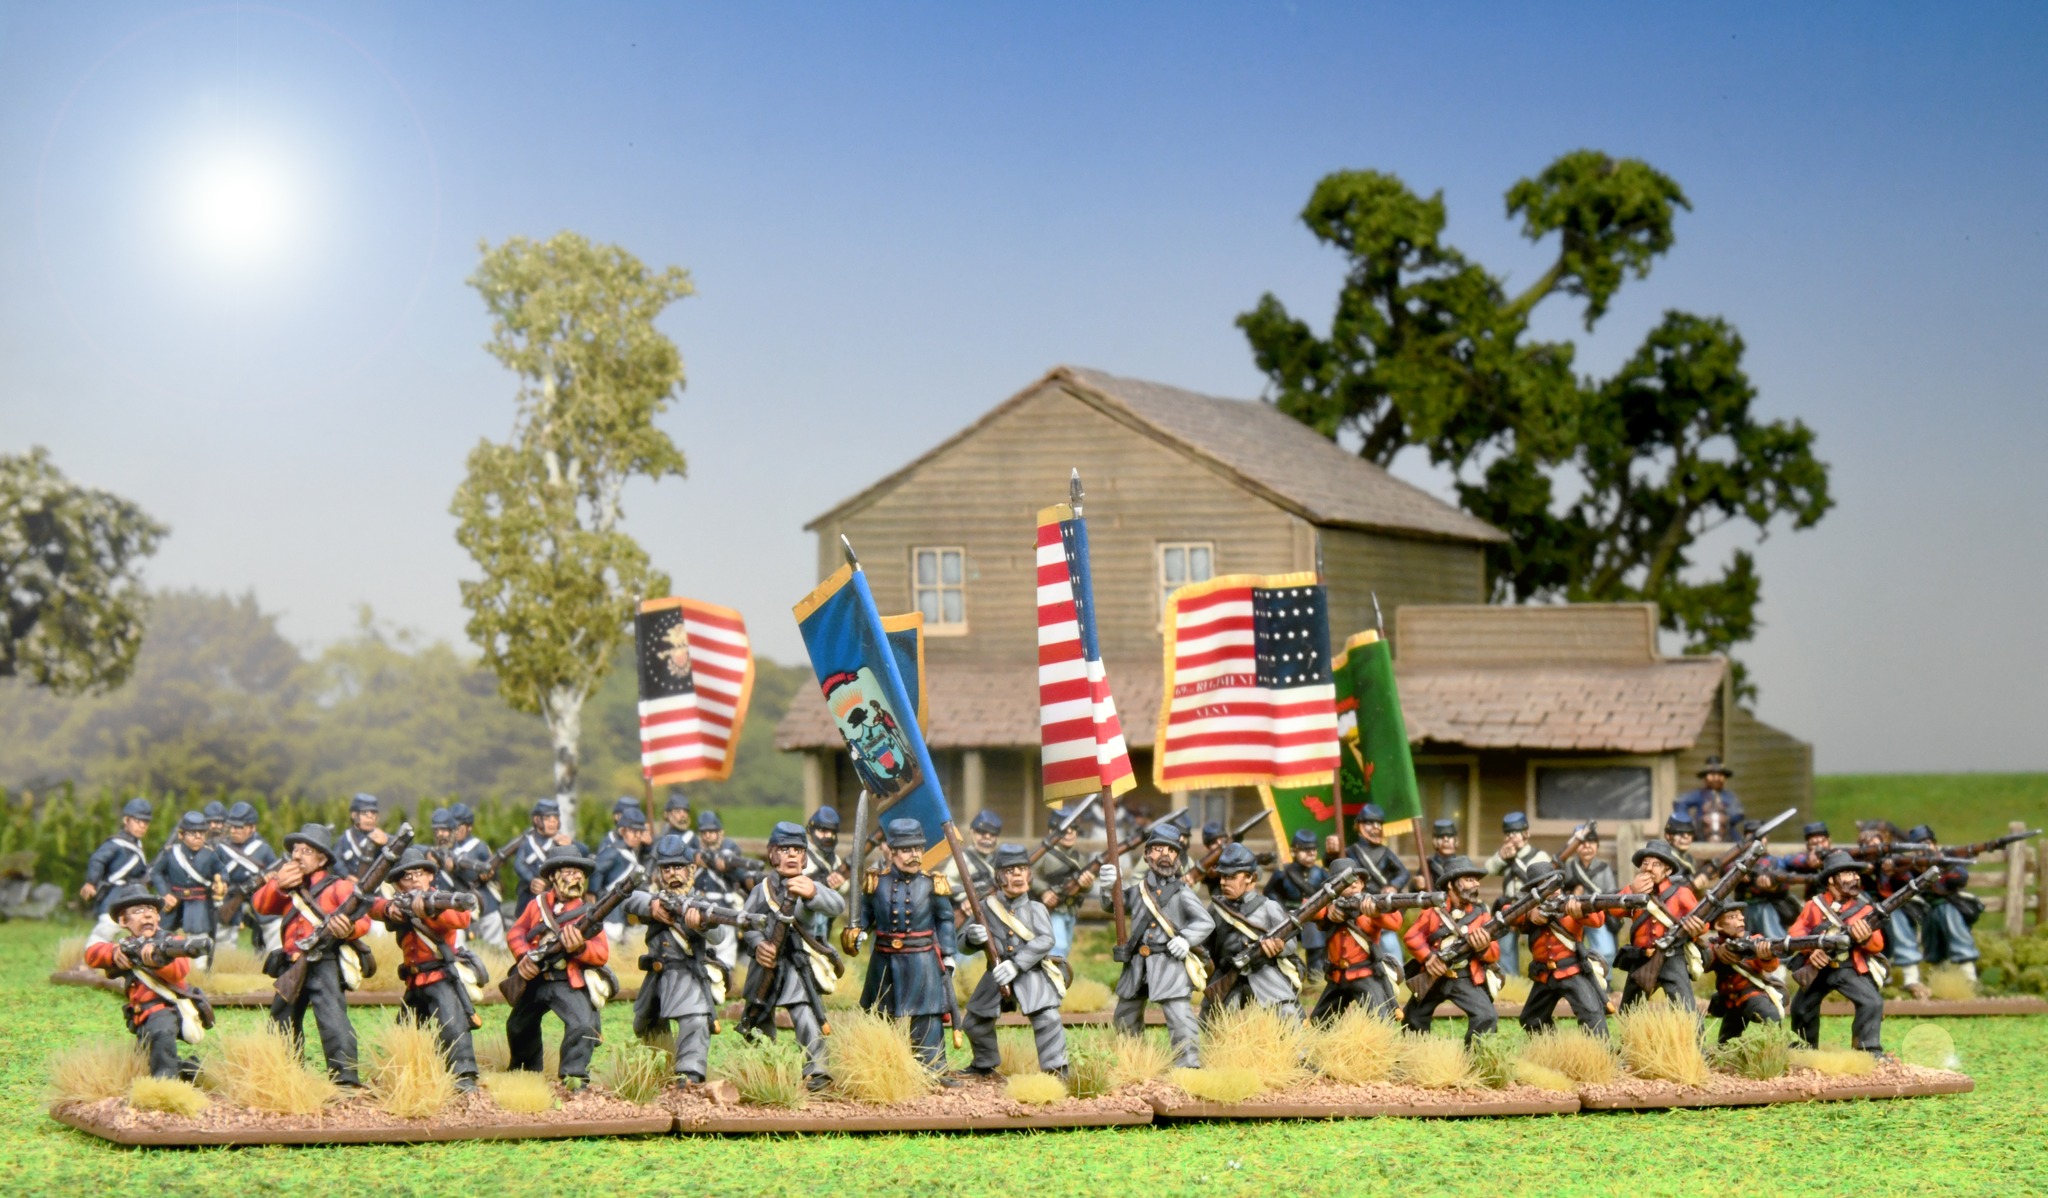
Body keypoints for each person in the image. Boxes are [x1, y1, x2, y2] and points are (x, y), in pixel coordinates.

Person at [252, 823, 370, 1085]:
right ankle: (284, 1074)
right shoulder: (288, 886)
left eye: (306, 851)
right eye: (295, 850)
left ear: (322, 859)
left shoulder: (338, 887)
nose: (297, 856)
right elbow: (260, 905)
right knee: (282, 1019)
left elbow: (363, 920)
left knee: (332, 1020)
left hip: (323, 963)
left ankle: (345, 1078)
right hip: (292, 965)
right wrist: (277, 885)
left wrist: (348, 929)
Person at [370, 846, 481, 1092]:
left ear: (430, 876)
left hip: (440, 977)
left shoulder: (440, 899)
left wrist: (430, 911)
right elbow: (372, 906)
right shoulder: (399, 903)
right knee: (405, 1029)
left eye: (419, 874)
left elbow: (462, 918)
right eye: (407, 877)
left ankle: (464, 1074)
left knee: (452, 1024)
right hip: (413, 981)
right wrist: (390, 910)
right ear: (398, 884)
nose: (414, 880)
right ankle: (403, 1071)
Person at [743, 822, 845, 1090]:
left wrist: (813, 893)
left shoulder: (810, 886)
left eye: (798, 850)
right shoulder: (762, 890)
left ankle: (818, 1070)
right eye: (784, 849)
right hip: (766, 966)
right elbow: (747, 925)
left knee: (806, 1015)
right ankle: (763, 1069)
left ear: (805, 857)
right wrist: (758, 945)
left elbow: (837, 905)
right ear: (772, 853)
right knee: (758, 1017)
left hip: (797, 964)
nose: (791, 855)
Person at [626, 834, 733, 1088]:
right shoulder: (656, 900)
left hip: (686, 973)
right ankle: (660, 1065)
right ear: (659, 874)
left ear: (691, 870)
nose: (673, 873)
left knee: (694, 1020)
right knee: (644, 1024)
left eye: (678, 867)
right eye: (667, 869)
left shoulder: (700, 904)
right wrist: (652, 905)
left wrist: (702, 924)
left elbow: (719, 935)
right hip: (656, 976)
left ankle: (689, 1073)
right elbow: (628, 899)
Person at [505, 845, 612, 1090]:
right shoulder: (536, 905)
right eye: (569, 872)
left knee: (582, 1024)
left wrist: (580, 948)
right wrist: (524, 956)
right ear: (553, 876)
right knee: (518, 1025)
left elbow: (602, 953)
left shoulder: (588, 914)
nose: (576, 878)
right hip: (535, 978)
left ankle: (574, 1077)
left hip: (566, 979)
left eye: (579, 873)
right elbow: (516, 932)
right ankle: (525, 1072)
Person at [1105, 824, 1213, 1068]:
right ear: (1146, 855)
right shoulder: (1138, 891)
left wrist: (1185, 939)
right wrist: (1109, 886)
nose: (1165, 855)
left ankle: (1188, 1063)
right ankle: (1131, 1061)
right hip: (1137, 964)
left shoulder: (1182, 892)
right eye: (1158, 849)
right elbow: (1114, 906)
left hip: (1168, 963)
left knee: (1179, 1015)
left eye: (1171, 851)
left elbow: (1205, 922)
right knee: (1125, 1015)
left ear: (1178, 857)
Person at [856, 818, 958, 1074]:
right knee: (880, 1013)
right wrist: (858, 931)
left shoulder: (932, 884)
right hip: (884, 961)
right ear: (891, 852)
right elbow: (865, 914)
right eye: (906, 850)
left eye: (918, 849)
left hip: (922, 961)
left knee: (927, 1016)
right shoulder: (876, 883)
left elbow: (945, 919)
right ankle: (882, 1068)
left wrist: (948, 954)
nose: (914, 855)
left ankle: (933, 1068)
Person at [959, 844, 1068, 1077]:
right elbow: (962, 945)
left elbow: (1046, 939)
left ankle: (1056, 1069)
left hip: (1030, 973)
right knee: (974, 1023)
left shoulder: (1036, 908)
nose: (1018, 875)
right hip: (996, 973)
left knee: (1048, 1019)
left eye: (1022, 869)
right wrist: (971, 938)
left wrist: (1017, 964)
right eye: (1009, 871)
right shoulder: (984, 908)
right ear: (998, 877)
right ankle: (984, 1064)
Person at [81, 884, 204, 1080]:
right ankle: (190, 1070)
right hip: (140, 1015)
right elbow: (92, 954)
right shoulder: (126, 946)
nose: (147, 915)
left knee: (161, 1035)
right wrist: (114, 952)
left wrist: (159, 963)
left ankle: (165, 1084)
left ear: (158, 917)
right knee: (147, 1057)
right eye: (137, 911)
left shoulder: (171, 942)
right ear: (123, 921)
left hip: (165, 1009)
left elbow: (180, 970)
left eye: (151, 910)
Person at [1786, 850, 1888, 1056]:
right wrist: (1813, 948)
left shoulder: (1864, 910)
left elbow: (1877, 944)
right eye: (1848, 873)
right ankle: (1804, 1048)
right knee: (1801, 1008)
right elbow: (1796, 932)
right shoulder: (1814, 906)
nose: (1855, 878)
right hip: (1820, 967)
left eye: (1855, 874)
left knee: (1872, 1002)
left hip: (1847, 967)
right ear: (1831, 879)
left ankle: (1868, 1050)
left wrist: (1865, 937)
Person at [1401, 855, 1500, 1044]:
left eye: (1476, 880)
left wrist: (1483, 948)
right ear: (1451, 884)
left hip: (1464, 977)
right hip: (1434, 975)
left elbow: (1495, 952)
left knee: (1486, 1016)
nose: (1476, 884)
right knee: (1413, 1018)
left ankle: (1476, 1056)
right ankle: (1415, 1054)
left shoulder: (1482, 915)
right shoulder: (1433, 912)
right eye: (1469, 880)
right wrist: (1429, 957)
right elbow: (1412, 937)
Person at [1202, 843, 1303, 1021]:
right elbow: (1206, 945)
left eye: (1231, 877)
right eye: (1222, 876)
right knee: (1213, 1018)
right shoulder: (1217, 908)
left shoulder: (1269, 907)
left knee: (1287, 1013)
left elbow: (1291, 945)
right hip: (1227, 973)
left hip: (1262, 971)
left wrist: (1278, 946)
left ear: (1250, 877)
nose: (1223, 882)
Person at [1509, 860, 1608, 1038]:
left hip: (1571, 970)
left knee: (1591, 1013)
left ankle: (1603, 1050)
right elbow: (1508, 912)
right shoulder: (1531, 907)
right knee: (1531, 1019)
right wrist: (1530, 913)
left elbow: (1598, 919)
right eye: (1544, 885)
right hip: (1544, 975)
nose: (1552, 889)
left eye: (1553, 883)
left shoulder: (1571, 902)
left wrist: (1581, 912)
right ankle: (1549, 1046)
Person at [1616, 839, 1706, 1011]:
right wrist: (1632, 891)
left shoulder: (1681, 894)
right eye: (1645, 863)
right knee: (1630, 1009)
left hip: (1671, 957)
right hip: (1641, 958)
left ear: (1668, 870)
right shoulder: (1633, 894)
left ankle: (1692, 1029)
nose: (1648, 868)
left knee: (1685, 1007)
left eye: (1656, 864)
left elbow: (1703, 921)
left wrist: (1697, 928)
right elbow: (1614, 911)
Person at [1309, 870, 1404, 1021]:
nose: (1354, 884)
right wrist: (1329, 905)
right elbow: (1308, 910)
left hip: (1364, 974)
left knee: (1380, 1017)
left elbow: (1396, 923)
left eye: (1358, 881)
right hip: (1337, 976)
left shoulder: (1369, 905)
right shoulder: (1330, 906)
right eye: (1348, 881)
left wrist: (1378, 913)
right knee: (1319, 1020)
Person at [1910, 824, 1982, 986]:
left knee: (1958, 938)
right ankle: (1938, 981)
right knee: (1933, 947)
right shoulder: (1915, 866)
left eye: (1927, 843)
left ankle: (1970, 978)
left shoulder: (1947, 858)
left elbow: (1961, 878)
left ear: (1934, 843)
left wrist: (1945, 867)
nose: (1924, 848)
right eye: (1918, 846)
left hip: (1949, 906)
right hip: (1928, 911)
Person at [1482, 812, 1551, 977]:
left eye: (1515, 833)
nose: (1511, 838)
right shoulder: (1505, 856)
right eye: (1508, 834)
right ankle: (1510, 978)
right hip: (1510, 907)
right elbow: (1487, 869)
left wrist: (1514, 860)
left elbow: (1539, 878)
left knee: (1538, 943)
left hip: (1532, 905)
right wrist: (1501, 857)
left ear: (1526, 834)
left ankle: (1541, 977)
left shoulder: (1538, 855)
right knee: (1506, 945)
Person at [1703, 907, 1784, 1044]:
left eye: (1740, 915)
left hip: (1751, 994)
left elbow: (1771, 967)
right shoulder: (1715, 946)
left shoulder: (1754, 941)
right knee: (1727, 1039)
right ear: (1718, 926)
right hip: (1730, 1000)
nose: (1741, 919)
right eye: (1733, 917)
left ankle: (1775, 1048)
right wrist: (1716, 951)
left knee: (1770, 1017)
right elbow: (1704, 965)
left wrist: (1766, 956)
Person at [81, 797, 155, 945]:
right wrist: (91, 882)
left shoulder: (138, 845)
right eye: (137, 821)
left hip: (134, 893)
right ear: (126, 820)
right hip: (116, 892)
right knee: (107, 926)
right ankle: (93, 951)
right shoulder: (116, 843)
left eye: (145, 823)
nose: (142, 826)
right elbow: (97, 860)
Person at [149, 811, 218, 966]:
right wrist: (165, 894)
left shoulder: (209, 854)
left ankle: (198, 971)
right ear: (181, 835)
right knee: (161, 932)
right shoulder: (171, 853)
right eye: (193, 833)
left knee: (198, 934)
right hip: (174, 899)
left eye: (201, 833)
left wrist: (220, 883)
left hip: (197, 901)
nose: (198, 837)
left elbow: (219, 873)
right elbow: (156, 872)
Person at [1559, 827, 1620, 999]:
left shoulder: (1603, 868)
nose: (1587, 847)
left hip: (1596, 916)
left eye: (1591, 843)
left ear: (1597, 845)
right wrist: (1573, 893)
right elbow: (1559, 892)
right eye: (1582, 843)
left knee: (1606, 951)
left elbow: (1611, 893)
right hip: (1573, 916)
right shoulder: (1569, 868)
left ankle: (1605, 981)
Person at [212, 801, 281, 954]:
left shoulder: (263, 849)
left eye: (239, 827)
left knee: (274, 926)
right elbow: (214, 871)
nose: (233, 831)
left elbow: (275, 872)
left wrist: (271, 877)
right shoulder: (222, 849)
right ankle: (224, 962)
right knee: (223, 933)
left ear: (252, 828)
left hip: (258, 896)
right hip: (232, 896)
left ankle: (274, 958)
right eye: (232, 826)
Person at [1031, 814, 1099, 962]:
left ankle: (1059, 971)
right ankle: (1055, 972)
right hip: (1052, 909)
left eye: (1073, 829)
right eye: (1064, 830)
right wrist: (1044, 891)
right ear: (1051, 832)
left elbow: (1086, 884)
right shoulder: (1044, 855)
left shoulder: (1078, 857)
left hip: (1070, 909)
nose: (1070, 834)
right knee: (1058, 946)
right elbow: (1029, 875)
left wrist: (1087, 884)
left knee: (1066, 945)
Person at [507, 798, 579, 923]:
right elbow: (519, 864)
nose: (552, 822)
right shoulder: (528, 843)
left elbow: (581, 853)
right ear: (537, 820)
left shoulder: (560, 842)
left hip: (554, 892)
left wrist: (571, 844)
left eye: (555, 818)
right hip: (529, 892)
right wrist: (531, 880)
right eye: (547, 818)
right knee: (525, 919)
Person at [446, 803, 506, 949]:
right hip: (457, 892)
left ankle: (497, 951)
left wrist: (489, 875)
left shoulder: (479, 847)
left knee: (492, 920)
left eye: (459, 826)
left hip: (480, 891)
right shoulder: (447, 848)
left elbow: (492, 870)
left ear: (468, 827)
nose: (456, 831)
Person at [1265, 830, 1330, 960]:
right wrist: (1281, 910)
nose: (1311, 853)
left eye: (1313, 849)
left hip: (1312, 917)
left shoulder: (1320, 872)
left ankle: (1315, 968)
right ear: (1294, 851)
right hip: (1288, 916)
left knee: (1316, 945)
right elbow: (1269, 892)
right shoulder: (1283, 872)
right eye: (1306, 850)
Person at [594, 806, 652, 946]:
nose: (637, 836)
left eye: (640, 832)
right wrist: (592, 892)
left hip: (627, 902)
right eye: (633, 831)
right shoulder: (613, 851)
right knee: (613, 933)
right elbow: (597, 870)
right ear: (623, 831)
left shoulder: (632, 852)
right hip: (611, 901)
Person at [1674, 756, 1745, 843]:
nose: (1716, 778)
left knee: (1739, 843)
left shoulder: (1729, 796)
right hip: (1701, 831)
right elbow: (1680, 802)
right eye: (1712, 775)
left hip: (1725, 830)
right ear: (1705, 777)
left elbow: (1738, 812)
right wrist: (1689, 822)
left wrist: (1726, 819)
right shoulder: (1699, 794)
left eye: (1720, 775)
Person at [336, 793, 389, 880]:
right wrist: (346, 875)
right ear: (354, 815)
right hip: (350, 882)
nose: (370, 818)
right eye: (365, 814)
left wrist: (385, 843)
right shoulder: (346, 838)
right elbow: (336, 860)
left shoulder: (382, 837)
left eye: (373, 814)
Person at [805, 806, 849, 893]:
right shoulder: (802, 856)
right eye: (823, 830)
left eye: (833, 832)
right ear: (811, 830)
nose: (829, 836)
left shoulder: (835, 858)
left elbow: (845, 887)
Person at [1663, 814, 1702, 887]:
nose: (1686, 837)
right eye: (1680, 834)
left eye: (1689, 833)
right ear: (1668, 836)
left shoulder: (1689, 859)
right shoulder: (1666, 858)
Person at [1425, 819, 1461, 886]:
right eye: (1441, 837)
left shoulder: (1462, 864)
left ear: (1455, 840)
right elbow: (1413, 888)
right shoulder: (1428, 864)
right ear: (1435, 841)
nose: (1446, 840)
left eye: (1449, 836)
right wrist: (1417, 885)